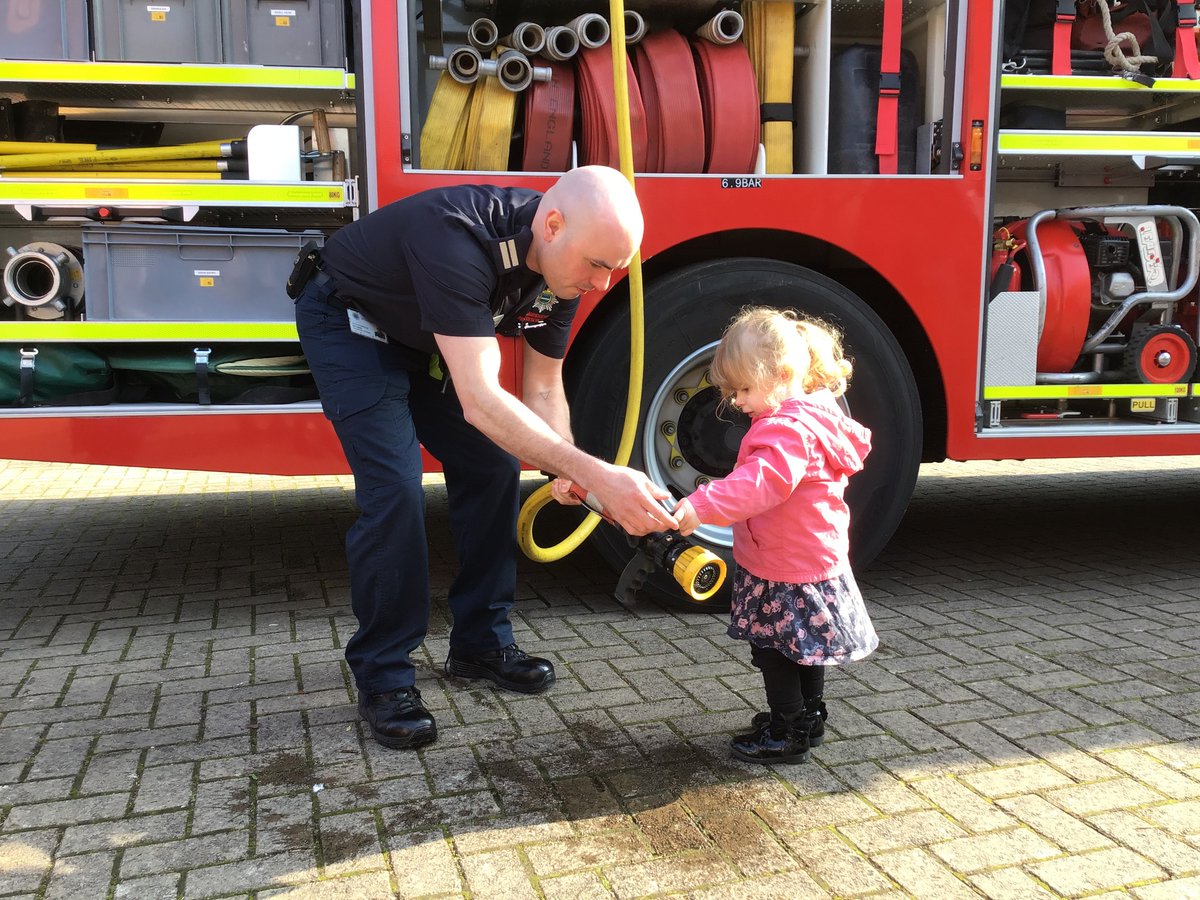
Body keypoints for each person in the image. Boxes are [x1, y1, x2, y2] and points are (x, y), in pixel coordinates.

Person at [292, 165, 678, 751]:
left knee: (495, 467)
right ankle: (385, 673)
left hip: (424, 338)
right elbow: (480, 400)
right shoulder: (458, 238)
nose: (602, 286)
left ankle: (480, 643)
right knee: (395, 490)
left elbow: (544, 389)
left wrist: (571, 471)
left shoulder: (562, 270)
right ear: (552, 225)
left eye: (615, 271)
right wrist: (593, 471)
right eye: (598, 267)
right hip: (351, 326)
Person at [673, 307, 878, 764]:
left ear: (782, 373)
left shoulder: (785, 430)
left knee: (773, 650)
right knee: (805, 648)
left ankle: (787, 730)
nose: (737, 401)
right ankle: (809, 715)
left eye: (744, 389)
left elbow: (762, 483)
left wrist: (700, 505)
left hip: (781, 567)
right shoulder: (818, 414)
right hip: (813, 558)